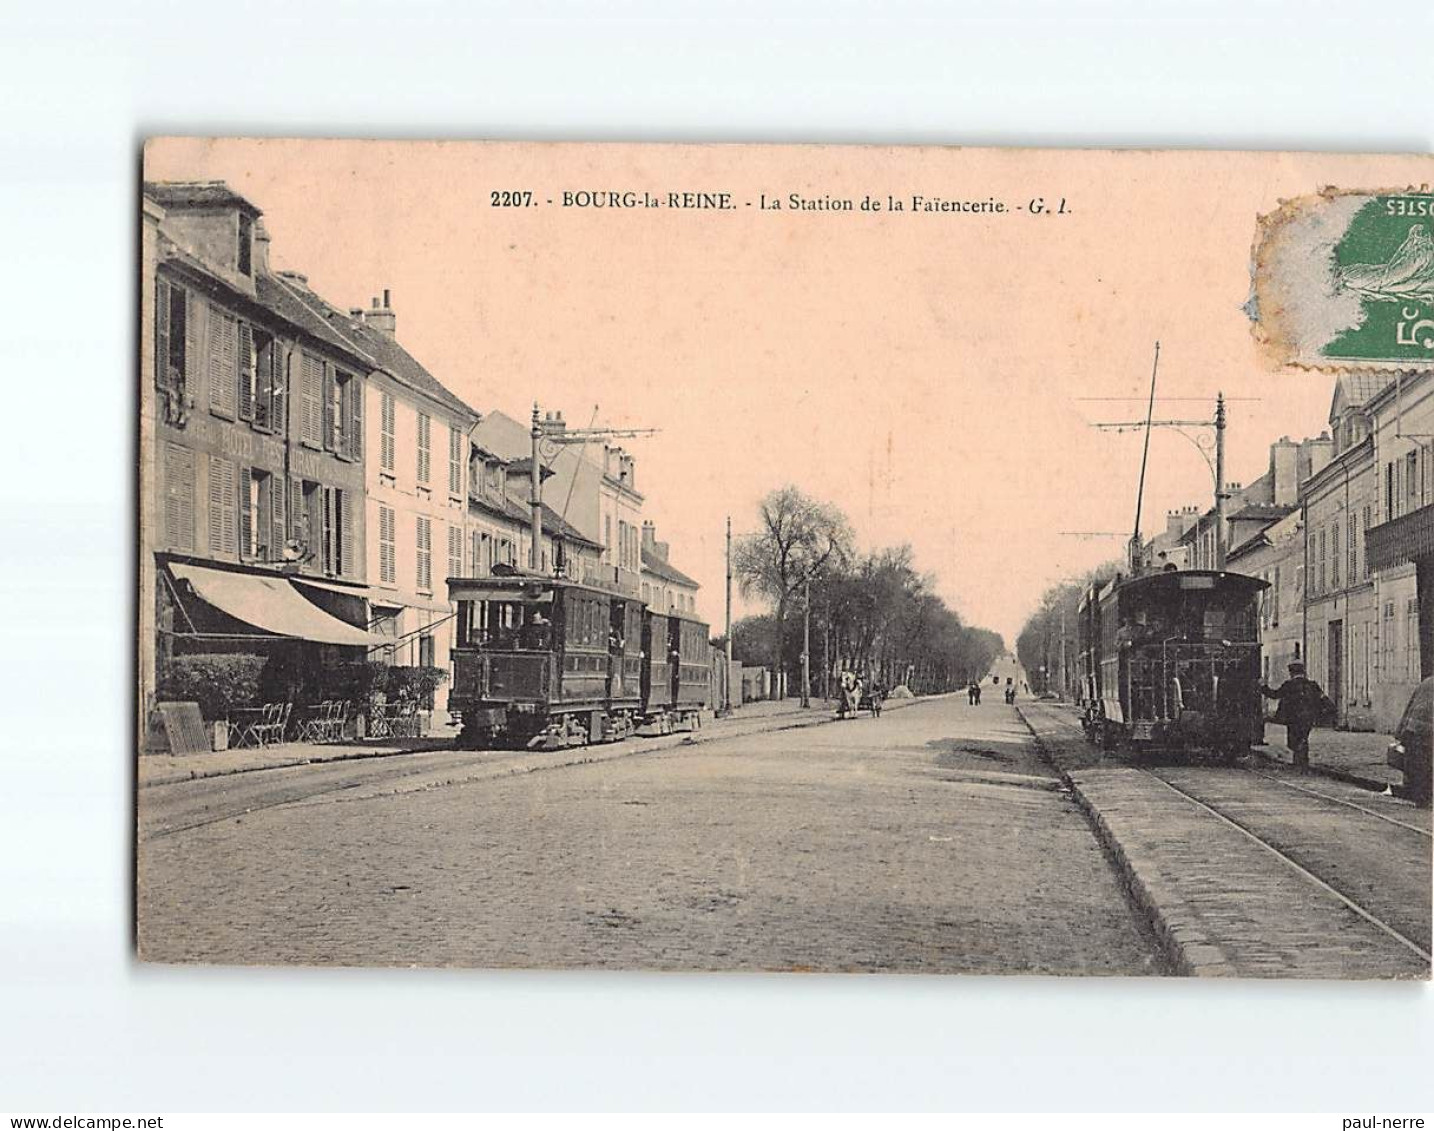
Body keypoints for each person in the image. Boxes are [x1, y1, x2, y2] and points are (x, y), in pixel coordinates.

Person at [1260, 661, 1328, 769]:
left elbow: (1275, 695)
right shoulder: (1312, 685)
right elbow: (1323, 699)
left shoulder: (1289, 685)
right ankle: (1302, 761)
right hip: (1308, 717)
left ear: (1291, 673)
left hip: (1293, 718)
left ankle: (1299, 762)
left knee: (1294, 739)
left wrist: (1263, 687)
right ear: (1303, 672)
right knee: (1303, 737)